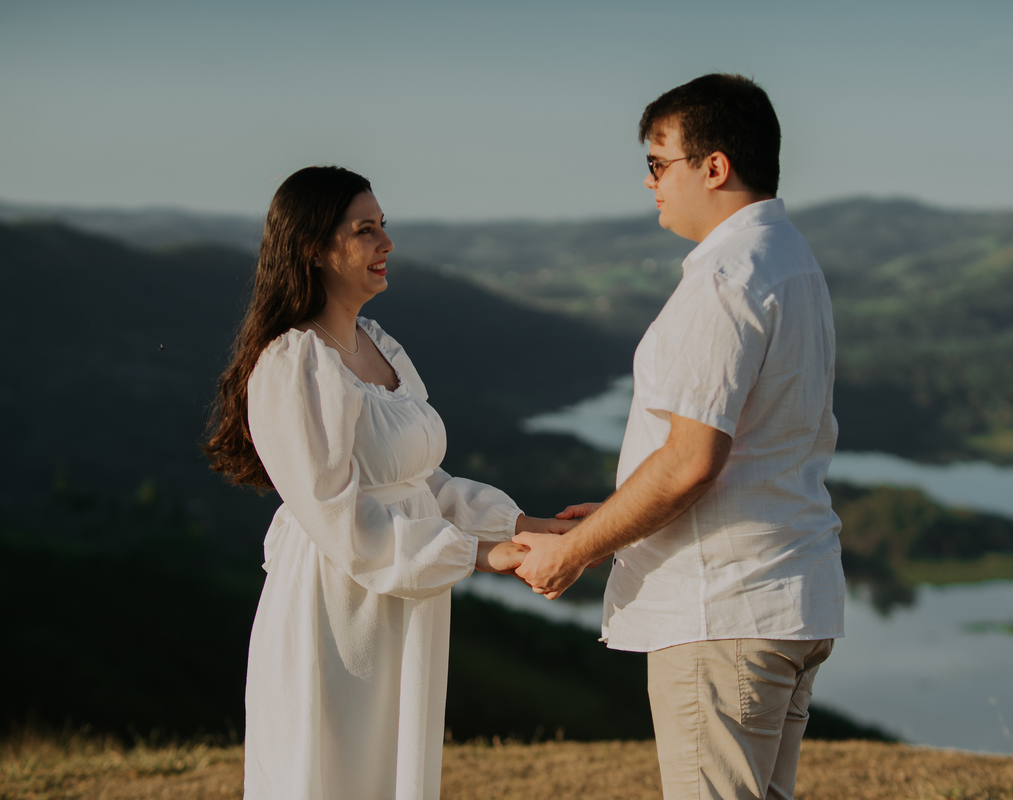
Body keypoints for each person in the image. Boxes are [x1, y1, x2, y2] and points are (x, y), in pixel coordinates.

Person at [514, 74, 846, 800]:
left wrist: (573, 551)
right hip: (789, 597)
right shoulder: (791, 259)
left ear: (714, 166)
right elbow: (752, 445)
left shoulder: (726, 276)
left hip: (721, 607)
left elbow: (693, 461)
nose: (649, 181)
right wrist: (615, 513)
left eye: (659, 163)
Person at [203, 165, 572, 800]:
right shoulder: (293, 363)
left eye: (383, 226)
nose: (386, 243)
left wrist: (523, 526)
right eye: (365, 230)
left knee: (392, 772)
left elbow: (422, 482)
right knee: (336, 772)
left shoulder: (377, 344)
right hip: (337, 606)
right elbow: (339, 519)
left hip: (407, 595)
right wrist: (480, 554)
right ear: (313, 248)